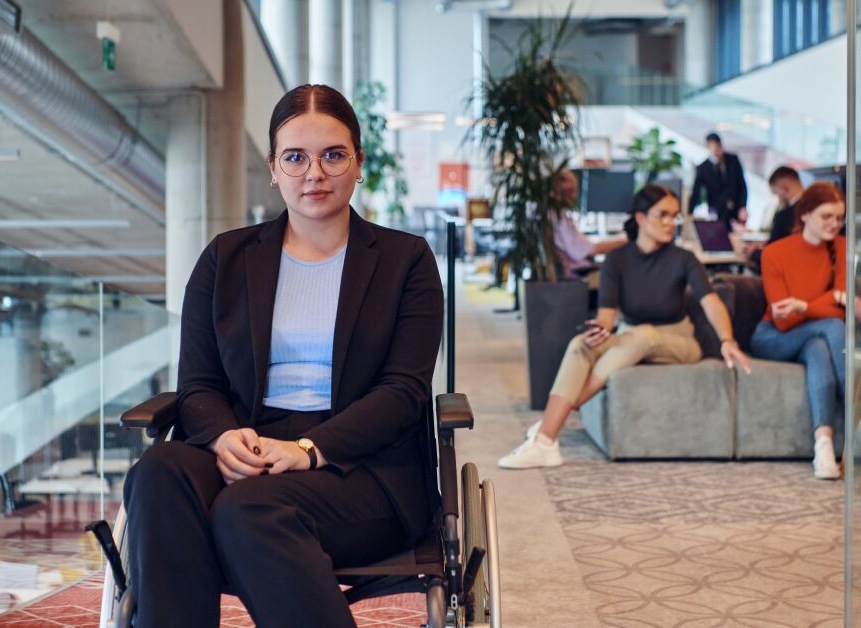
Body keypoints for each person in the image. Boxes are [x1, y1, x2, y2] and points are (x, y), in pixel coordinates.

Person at [123, 84, 444, 627]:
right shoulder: (226, 259)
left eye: (332, 155)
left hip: (363, 467)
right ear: (273, 167)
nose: (313, 173)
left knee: (250, 508)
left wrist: (308, 449)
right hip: (249, 440)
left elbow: (403, 393)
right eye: (294, 157)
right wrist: (225, 437)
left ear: (358, 163)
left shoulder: (404, 260)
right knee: (158, 470)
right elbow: (198, 383)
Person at [499, 184, 751, 469]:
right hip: (630, 336)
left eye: (674, 217)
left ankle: (549, 423)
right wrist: (600, 329)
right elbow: (608, 315)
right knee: (581, 344)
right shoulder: (617, 261)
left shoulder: (684, 259)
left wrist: (727, 339)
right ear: (641, 218)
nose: (670, 223)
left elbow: (710, 302)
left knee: (642, 335)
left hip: (679, 342)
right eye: (662, 215)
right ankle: (546, 442)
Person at [749, 182, 846, 480]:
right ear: (804, 214)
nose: (835, 224)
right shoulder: (775, 253)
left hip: (814, 337)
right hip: (773, 337)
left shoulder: (841, 247)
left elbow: (845, 303)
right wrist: (828, 301)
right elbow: (784, 320)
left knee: (818, 347)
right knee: (831, 325)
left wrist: (804, 306)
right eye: (826, 216)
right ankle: (856, 403)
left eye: (840, 218)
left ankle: (824, 444)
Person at [551, 168, 627, 279]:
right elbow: (591, 250)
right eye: (570, 191)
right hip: (575, 277)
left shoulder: (551, 214)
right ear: (556, 190)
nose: (574, 197)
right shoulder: (557, 217)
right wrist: (627, 240)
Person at [688, 133, 748, 231]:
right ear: (707, 147)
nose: (716, 151)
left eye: (717, 147)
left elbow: (742, 186)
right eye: (712, 148)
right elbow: (696, 193)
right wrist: (689, 213)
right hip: (717, 211)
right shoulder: (703, 168)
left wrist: (743, 206)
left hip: (735, 210)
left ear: (721, 145)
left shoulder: (733, 160)